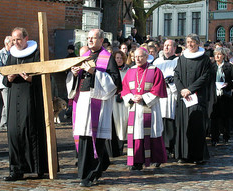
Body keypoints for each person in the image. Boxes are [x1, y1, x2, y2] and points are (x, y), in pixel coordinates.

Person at [66, 29, 121, 187]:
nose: (90, 40)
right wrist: (74, 74)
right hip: (82, 100)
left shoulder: (108, 58)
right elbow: (73, 80)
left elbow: (115, 82)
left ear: (101, 40)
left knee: (95, 138)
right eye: (88, 38)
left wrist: (94, 72)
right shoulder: (83, 56)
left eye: (93, 38)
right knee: (84, 136)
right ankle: (85, 171)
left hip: (98, 101)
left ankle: (91, 173)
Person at [3, 27, 50, 181]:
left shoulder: (36, 53)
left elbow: (45, 78)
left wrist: (31, 79)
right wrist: (8, 79)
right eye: (13, 39)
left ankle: (38, 168)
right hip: (13, 98)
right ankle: (16, 169)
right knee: (14, 133)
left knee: (31, 131)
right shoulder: (11, 54)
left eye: (18, 39)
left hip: (30, 98)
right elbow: (4, 76)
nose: (15, 42)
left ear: (26, 38)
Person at [121, 47, 168, 170]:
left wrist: (143, 97)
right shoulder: (130, 71)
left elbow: (158, 89)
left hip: (150, 107)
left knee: (152, 131)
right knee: (136, 133)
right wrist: (131, 97)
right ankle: (137, 161)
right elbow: (124, 89)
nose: (137, 59)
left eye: (140, 56)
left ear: (147, 57)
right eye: (135, 57)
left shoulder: (155, 71)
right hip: (135, 108)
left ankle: (155, 158)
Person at [174, 34, 211, 164]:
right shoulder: (182, 58)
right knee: (183, 126)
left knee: (196, 126)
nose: (190, 44)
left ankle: (197, 156)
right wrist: (182, 90)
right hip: (183, 97)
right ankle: (183, 155)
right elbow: (176, 75)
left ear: (198, 43)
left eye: (193, 42)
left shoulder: (205, 59)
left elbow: (205, 76)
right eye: (188, 42)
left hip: (197, 97)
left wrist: (190, 89)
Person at [153, 39, 179, 158]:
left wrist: (172, 83)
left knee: (169, 120)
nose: (166, 48)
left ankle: (170, 146)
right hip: (159, 95)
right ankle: (160, 146)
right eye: (165, 45)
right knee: (159, 120)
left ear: (174, 48)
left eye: (169, 46)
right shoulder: (157, 61)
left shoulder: (178, 61)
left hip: (170, 95)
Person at [210, 47, 233, 145]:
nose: (217, 56)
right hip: (214, 95)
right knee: (214, 117)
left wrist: (228, 84)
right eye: (216, 54)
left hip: (225, 95)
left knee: (225, 116)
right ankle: (214, 137)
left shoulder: (229, 66)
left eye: (219, 54)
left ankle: (226, 136)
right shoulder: (211, 66)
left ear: (223, 56)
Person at [107, 50, 130, 157]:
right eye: (117, 58)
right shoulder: (111, 71)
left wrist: (123, 94)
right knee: (116, 123)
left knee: (124, 121)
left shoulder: (128, 70)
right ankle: (117, 148)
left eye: (121, 58)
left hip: (124, 100)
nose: (119, 60)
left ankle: (124, 144)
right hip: (113, 100)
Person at [0, 36, 12, 130]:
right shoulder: (0, 54)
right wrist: (9, 72)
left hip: (12, 81)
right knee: (7, 103)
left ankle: (5, 123)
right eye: (12, 43)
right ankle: (5, 123)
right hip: (4, 83)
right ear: (6, 44)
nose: (13, 45)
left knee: (8, 103)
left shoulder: (13, 53)